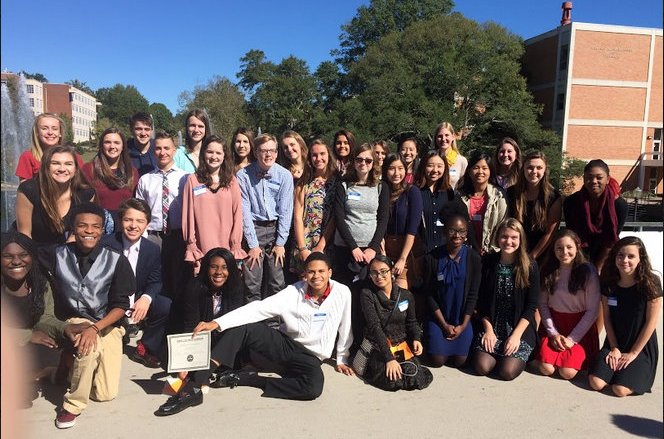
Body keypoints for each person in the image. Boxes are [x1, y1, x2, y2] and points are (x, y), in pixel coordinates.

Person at [154, 252, 354, 416]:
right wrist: (217, 323)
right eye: (311, 271)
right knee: (245, 327)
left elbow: (346, 325)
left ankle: (251, 379)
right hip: (285, 345)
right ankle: (193, 388)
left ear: (330, 272)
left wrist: (342, 358)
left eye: (321, 271)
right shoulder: (294, 292)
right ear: (304, 274)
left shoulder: (342, 292)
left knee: (312, 388)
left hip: (311, 357)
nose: (316, 276)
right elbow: (258, 308)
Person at [39, 202, 135, 429]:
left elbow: (121, 305)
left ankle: (62, 370)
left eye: (96, 227)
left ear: (103, 230)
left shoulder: (116, 259)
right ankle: (72, 405)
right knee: (89, 347)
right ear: (73, 227)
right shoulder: (56, 254)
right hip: (75, 319)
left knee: (105, 394)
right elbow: (23, 253)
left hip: (108, 322)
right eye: (82, 226)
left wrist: (96, 328)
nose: (89, 231)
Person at [1, 231, 70, 406]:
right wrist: (27, 336)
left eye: (23, 255)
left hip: (26, 341)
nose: (16, 261)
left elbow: (46, 318)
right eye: (8, 256)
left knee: (53, 351)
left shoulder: (40, 284)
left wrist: (65, 328)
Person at [102, 198, 172, 369]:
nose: (134, 226)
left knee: (165, 305)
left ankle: (145, 347)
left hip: (137, 297)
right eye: (128, 220)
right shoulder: (105, 244)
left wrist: (146, 298)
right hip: (110, 301)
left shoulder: (152, 249)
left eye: (140, 221)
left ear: (147, 224)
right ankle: (118, 329)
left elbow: (155, 281)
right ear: (120, 221)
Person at [588, 237, 662, 396]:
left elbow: (651, 323)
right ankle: (618, 371)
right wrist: (614, 348)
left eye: (631, 256)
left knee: (619, 389)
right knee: (596, 382)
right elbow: (607, 318)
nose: (624, 260)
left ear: (640, 259)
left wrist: (633, 353)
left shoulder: (651, 283)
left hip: (640, 347)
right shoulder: (608, 282)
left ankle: (628, 374)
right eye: (620, 255)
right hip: (615, 342)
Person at [333, 143, 389, 343]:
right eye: (359, 159)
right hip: (346, 250)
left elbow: (383, 219)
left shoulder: (381, 187)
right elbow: (339, 218)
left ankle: (364, 342)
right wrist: (354, 247)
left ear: (373, 163)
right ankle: (343, 341)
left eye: (368, 160)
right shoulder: (344, 185)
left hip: (370, 253)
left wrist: (372, 248)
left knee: (367, 299)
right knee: (346, 298)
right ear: (353, 162)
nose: (363, 163)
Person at [471, 218, 539, 381]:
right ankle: (498, 353)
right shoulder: (488, 262)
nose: (508, 241)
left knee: (507, 372)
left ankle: (511, 356)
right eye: (504, 236)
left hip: (518, 328)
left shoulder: (529, 266)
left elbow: (531, 307)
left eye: (514, 237)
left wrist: (515, 336)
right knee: (482, 367)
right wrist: (488, 331)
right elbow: (481, 302)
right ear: (497, 238)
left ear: (520, 239)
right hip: (493, 325)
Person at [357, 255, 432, 391]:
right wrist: (389, 358)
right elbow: (375, 327)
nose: (379, 276)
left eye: (383, 271)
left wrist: (416, 338)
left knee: (413, 378)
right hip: (378, 346)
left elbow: (412, 322)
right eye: (374, 272)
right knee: (393, 381)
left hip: (400, 345)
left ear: (391, 271)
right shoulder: (367, 294)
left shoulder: (405, 295)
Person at [176, 248, 247, 386]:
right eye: (213, 267)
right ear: (206, 268)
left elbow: (235, 320)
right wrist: (185, 362)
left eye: (224, 268)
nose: (219, 272)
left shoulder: (236, 286)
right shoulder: (194, 287)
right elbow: (190, 326)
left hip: (223, 340)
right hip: (198, 339)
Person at [237, 134, 294, 303]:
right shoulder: (243, 175)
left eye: (271, 150)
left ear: (276, 153)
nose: (268, 154)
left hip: (277, 229)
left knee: (277, 282)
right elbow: (244, 211)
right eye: (263, 151)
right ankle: (253, 325)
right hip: (253, 229)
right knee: (252, 282)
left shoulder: (284, 175)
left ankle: (274, 325)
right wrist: (253, 245)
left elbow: (286, 210)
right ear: (255, 153)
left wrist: (280, 243)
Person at [537, 229, 600, 380]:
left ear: (577, 247)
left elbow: (592, 310)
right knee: (546, 368)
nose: (564, 252)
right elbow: (543, 304)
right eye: (559, 248)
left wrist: (572, 339)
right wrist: (553, 333)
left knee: (567, 372)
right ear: (553, 250)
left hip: (579, 328)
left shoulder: (588, 272)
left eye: (569, 247)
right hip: (554, 325)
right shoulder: (548, 270)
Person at [134, 132, 188, 306]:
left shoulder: (185, 178)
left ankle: (176, 319)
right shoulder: (145, 180)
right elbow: (140, 211)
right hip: (153, 235)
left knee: (178, 278)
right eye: (158, 148)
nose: (162, 152)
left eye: (167, 148)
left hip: (178, 235)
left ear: (174, 150)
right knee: (153, 278)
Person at [423, 213, 481, 368]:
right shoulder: (432, 258)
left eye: (462, 231)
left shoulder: (473, 258)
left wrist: (463, 325)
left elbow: (473, 295)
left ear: (467, 234)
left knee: (460, 362)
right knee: (437, 360)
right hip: (438, 319)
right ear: (444, 232)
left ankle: (463, 334)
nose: (457, 235)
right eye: (452, 231)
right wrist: (443, 325)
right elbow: (429, 294)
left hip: (462, 319)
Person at [182, 135, 246, 274]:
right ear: (203, 153)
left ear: (224, 156)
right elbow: (188, 216)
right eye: (210, 152)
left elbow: (237, 214)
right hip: (202, 248)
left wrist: (235, 244)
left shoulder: (232, 181)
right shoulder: (193, 180)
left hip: (227, 246)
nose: (214, 156)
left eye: (218, 153)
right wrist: (192, 246)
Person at [16, 145, 95, 246]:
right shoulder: (29, 190)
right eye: (55, 163)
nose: (62, 169)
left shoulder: (85, 194)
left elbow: (78, 233)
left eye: (68, 164)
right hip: (35, 251)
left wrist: (65, 256)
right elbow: (24, 235)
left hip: (67, 251)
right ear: (46, 167)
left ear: (75, 169)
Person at [563, 159, 628, 273]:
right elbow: (571, 235)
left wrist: (598, 268)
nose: (593, 181)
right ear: (583, 179)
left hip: (607, 256)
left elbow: (612, 239)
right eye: (589, 177)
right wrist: (582, 264)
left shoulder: (619, 205)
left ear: (607, 179)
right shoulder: (571, 202)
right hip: (578, 255)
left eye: (599, 177)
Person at [292, 139, 338, 276]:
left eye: (322, 154)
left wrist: (321, 245)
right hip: (305, 241)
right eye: (314, 155)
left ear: (329, 155)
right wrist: (302, 248)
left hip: (327, 242)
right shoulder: (304, 182)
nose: (318, 158)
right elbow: (297, 217)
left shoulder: (336, 182)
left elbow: (335, 217)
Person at [507, 150, 561, 263]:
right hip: (513, 251)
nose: (534, 171)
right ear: (523, 169)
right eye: (530, 167)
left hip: (540, 256)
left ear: (545, 170)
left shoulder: (553, 197)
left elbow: (550, 232)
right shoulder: (511, 193)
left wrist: (532, 257)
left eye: (539, 168)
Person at [81, 128, 139, 228]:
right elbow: (82, 204)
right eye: (107, 142)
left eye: (117, 143)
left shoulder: (132, 172)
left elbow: (135, 203)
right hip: (97, 227)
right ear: (102, 145)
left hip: (124, 228)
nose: (112, 146)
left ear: (123, 147)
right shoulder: (89, 169)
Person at [382, 153, 422, 290]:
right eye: (392, 168)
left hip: (405, 251)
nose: (396, 173)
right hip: (385, 249)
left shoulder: (412, 192)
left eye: (400, 168)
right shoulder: (382, 191)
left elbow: (412, 228)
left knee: (401, 291)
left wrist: (402, 258)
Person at [458, 151, 507, 255]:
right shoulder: (459, 195)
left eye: (485, 168)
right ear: (469, 171)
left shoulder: (498, 195)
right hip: (465, 252)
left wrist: (492, 249)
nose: (480, 171)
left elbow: (502, 224)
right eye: (476, 168)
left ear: (490, 171)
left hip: (492, 252)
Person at [15, 113, 84, 182]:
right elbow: (24, 189)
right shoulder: (28, 157)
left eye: (55, 129)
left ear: (60, 133)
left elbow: (83, 185)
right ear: (37, 132)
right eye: (44, 128)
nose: (50, 132)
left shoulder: (74, 157)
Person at [174, 109, 210, 173]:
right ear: (187, 128)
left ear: (206, 129)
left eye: (200, 126)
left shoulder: (213, 153)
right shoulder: (178, 154)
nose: (196, 130)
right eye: (192, 125)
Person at [433, 122, 467, 189]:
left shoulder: (461, 161)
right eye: (440, 136)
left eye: (447, 135)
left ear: (453, 137)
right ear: (436, 138)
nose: (443, 139)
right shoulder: (430, 159)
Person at [127, 112, 158, 176]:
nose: (143, 133)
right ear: (131, 130)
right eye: (139, 129)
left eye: (147, 129)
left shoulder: (159, 149)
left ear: (152, 130)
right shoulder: (123, 151)